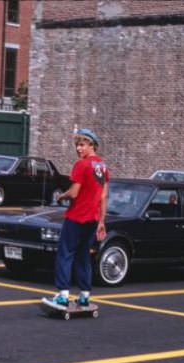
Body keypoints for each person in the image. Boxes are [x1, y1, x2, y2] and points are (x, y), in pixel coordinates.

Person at [51, 128, 109, 307]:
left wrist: (62, 196)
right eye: (77, 145)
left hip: (77, 217)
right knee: (83, 255)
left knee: (65, 253)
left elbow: (74, 193)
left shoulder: (81, 165)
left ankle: (63, 294)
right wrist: (101, 221)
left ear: (92, 145)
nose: (78, 148)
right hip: (92, 219)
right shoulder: (102, 167)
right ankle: (84, 295)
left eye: (82, 144)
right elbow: (104, 196)